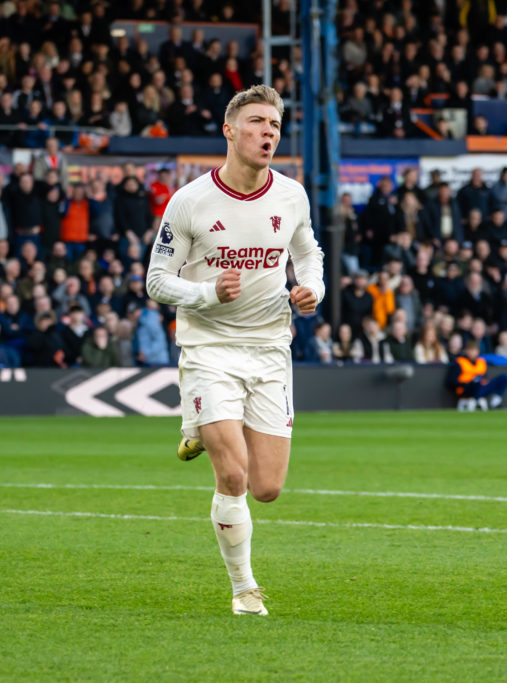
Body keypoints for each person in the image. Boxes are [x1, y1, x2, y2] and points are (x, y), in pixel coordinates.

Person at [145, 85, 324, 616]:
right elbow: (157, 280)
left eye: (274, 123)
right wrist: (204, 293)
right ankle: (244, 589)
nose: (268, 132)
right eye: (256, 122)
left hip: (270, 348)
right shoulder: (190, 201)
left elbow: (308, 251)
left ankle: (197, 423)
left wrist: (312, 288)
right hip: (208, 348)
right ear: (229, 131)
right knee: (234, 476)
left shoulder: (291, 195)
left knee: (267, 488)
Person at [446, 337, 507, 411]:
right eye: (470, 350)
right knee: (476, 381)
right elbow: (450, 381)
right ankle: (476, 402)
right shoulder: (459, 362)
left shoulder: (481, 362)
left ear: (478, 351)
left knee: (504, 378)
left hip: (481, 387)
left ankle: (495, 403)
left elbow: (485, 377)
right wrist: (465, 383)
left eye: (474, 350)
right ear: (466, 351)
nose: (473, 353)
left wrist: (484, 380)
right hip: (466, 389)